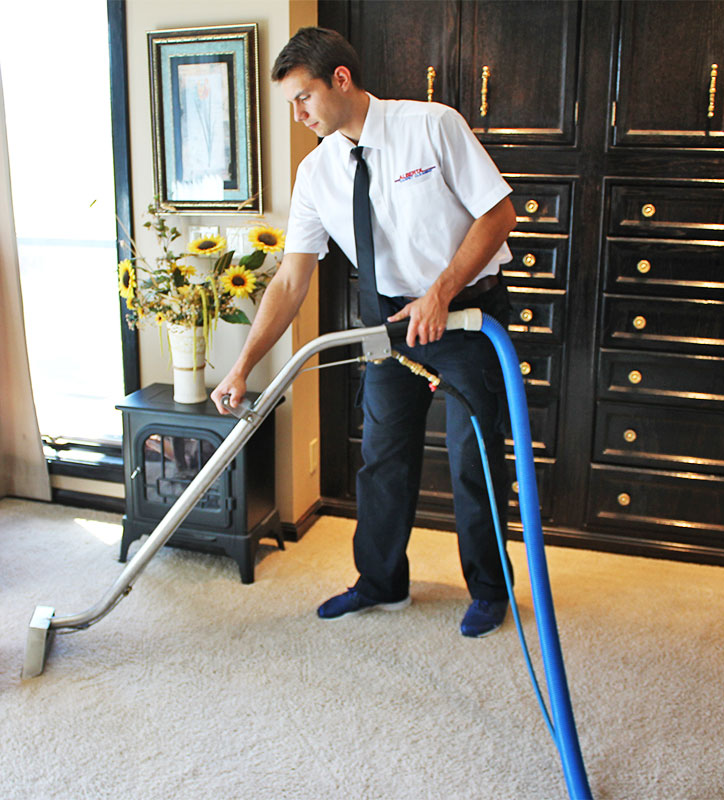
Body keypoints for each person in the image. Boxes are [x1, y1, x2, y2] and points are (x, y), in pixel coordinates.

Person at [211, 27, 517, 638]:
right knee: (381, 460)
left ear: (341, 80)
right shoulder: (316, 172)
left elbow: (498, 214)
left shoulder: (431, 125)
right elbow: (291, 281)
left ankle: (488, 588)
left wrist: (440, 293)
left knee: (472, 460)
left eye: (303, 99)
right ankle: (381, 583)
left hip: (465, 316)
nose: (297, 115)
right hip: (387, 327)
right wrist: (243, 365)